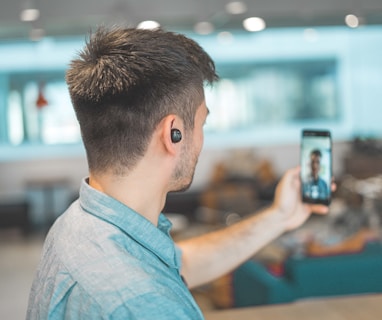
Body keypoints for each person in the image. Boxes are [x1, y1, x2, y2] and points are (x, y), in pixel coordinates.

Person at [26, 26, 332, 319]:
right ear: (174, 133)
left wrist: (281, 215)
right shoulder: (147, 304)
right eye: (202, 123)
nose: (201, 138)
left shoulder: (78, 225)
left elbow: (178, 264)